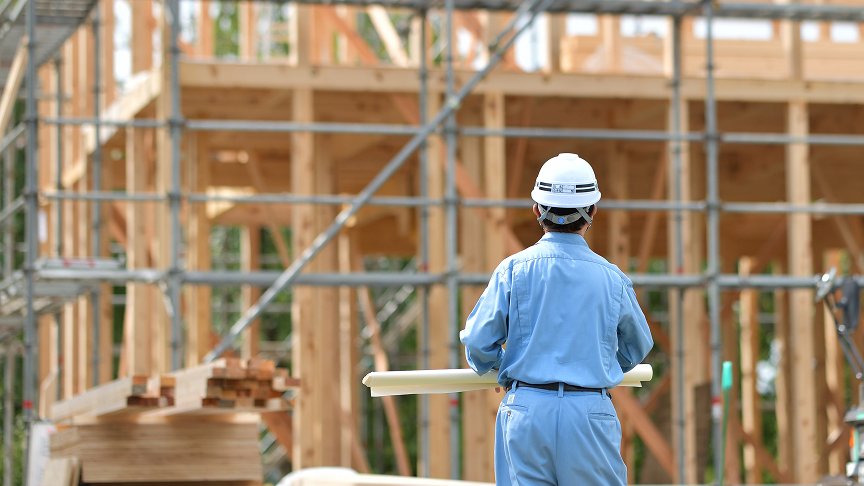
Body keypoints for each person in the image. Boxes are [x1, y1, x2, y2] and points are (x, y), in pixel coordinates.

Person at [460, 153, 654, 486]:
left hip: (526, 411)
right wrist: (597, 362)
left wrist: (504, 366)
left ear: (537, 209)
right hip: (589, 413)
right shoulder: (612, 279)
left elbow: (478, 342)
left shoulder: (512, 271)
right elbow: (637, 346)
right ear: (592, 211)